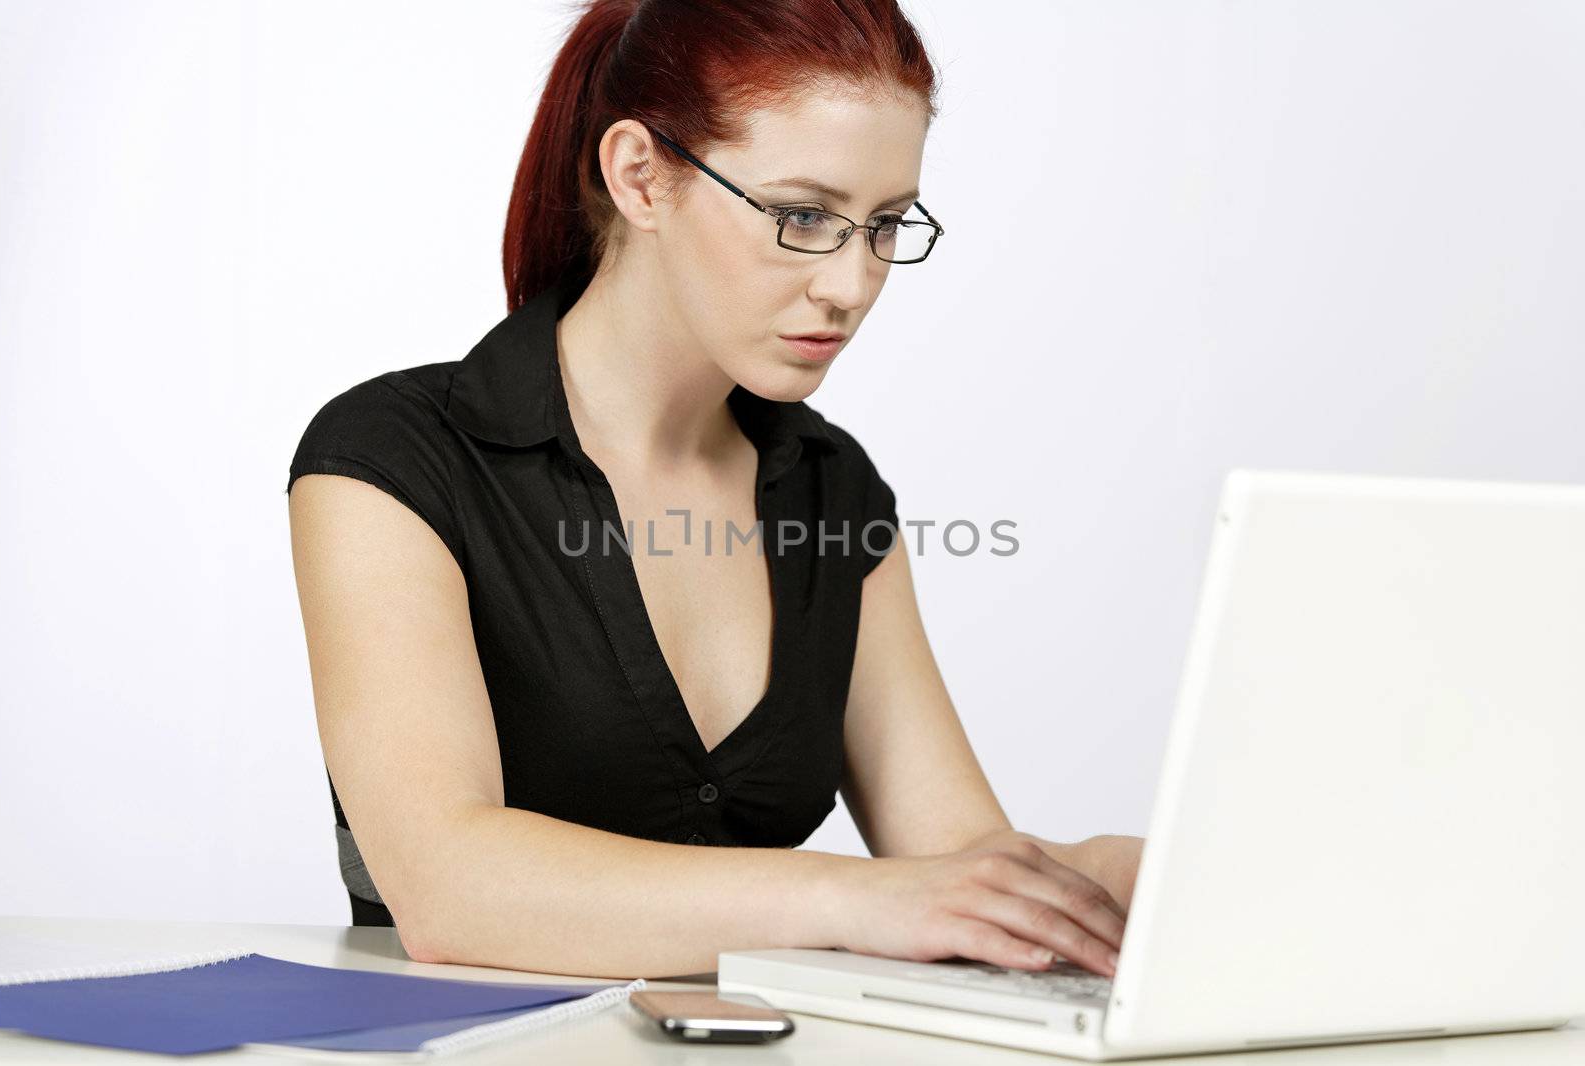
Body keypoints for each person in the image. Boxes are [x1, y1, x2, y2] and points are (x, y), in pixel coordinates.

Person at [286, 0, 1143, 980]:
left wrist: (1128, 873)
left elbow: (956, 864)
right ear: (640, 175)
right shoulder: (399, 456)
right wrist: (841, 894)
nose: (852, 284)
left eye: (886, 225)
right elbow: (448, 886)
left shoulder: (832, 491)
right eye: (803, 216)